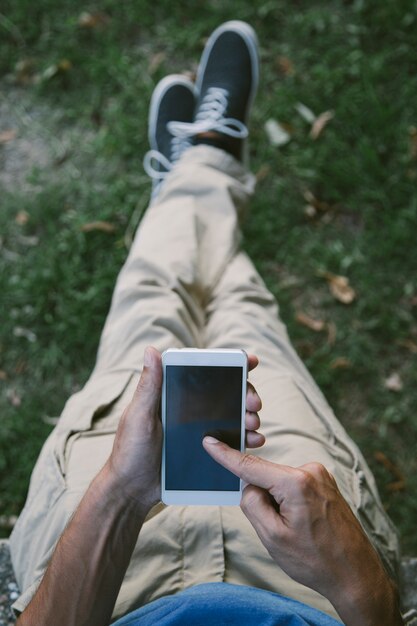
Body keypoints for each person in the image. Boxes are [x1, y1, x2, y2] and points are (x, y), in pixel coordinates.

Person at [10, 20, 404, 626]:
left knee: (149, 300)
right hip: (309, 585)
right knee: (247, 313)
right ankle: (206, 164)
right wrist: (362, 590)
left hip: (109, 581)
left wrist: (121, 489)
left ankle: (194, 171)